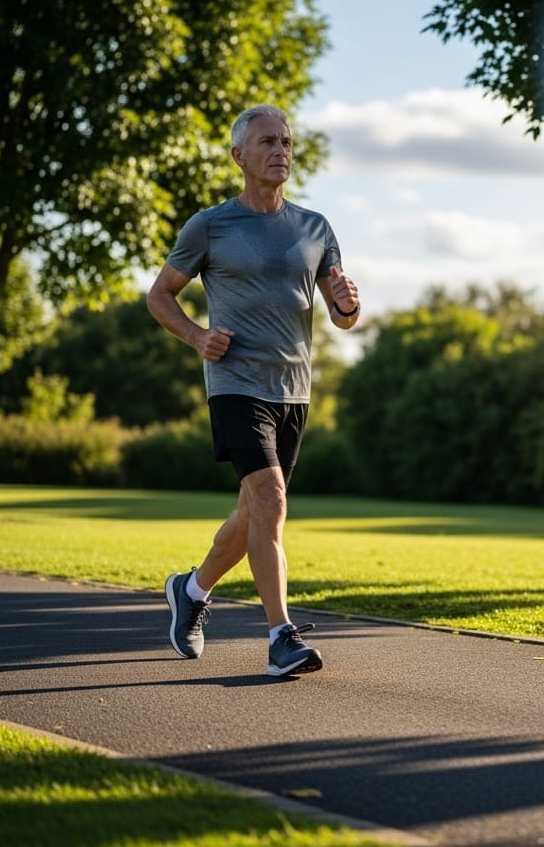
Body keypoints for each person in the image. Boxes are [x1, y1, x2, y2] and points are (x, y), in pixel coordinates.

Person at [146, 104, 360, 677]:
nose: (280, 151)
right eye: (267, 142)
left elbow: (342, 316)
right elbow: (160, 295)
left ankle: (190, 590)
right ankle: (280, 637)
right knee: (272, 502)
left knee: (253, 513)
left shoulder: (315, 227)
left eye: (286, 142)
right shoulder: (210, 226)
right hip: (236, 384)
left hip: (294, 389)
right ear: (240, 155)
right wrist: (197, 336)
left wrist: (347, 304)